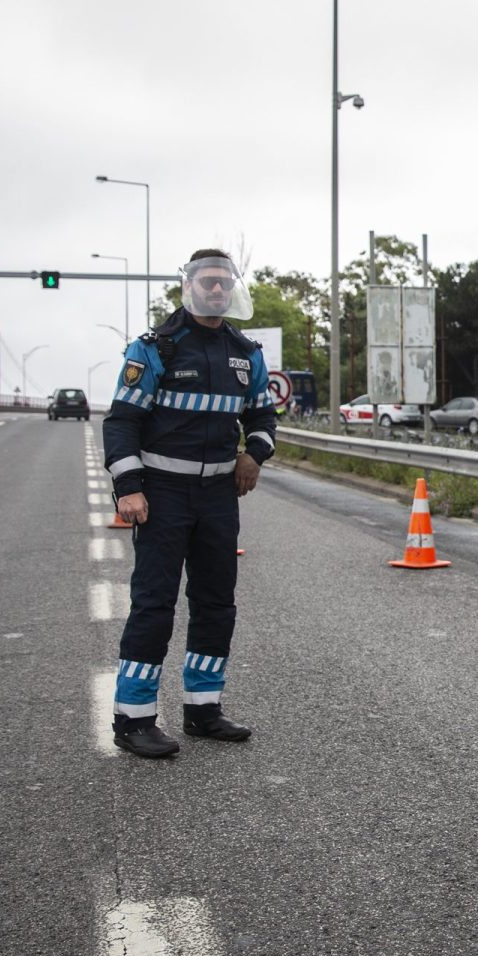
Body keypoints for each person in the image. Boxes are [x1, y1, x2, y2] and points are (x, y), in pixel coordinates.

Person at [103, 250, 277, 759]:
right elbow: (122, 422)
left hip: (220, 497)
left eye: (225, 282)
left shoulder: (247, 352)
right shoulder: (155, 347)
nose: (217, 289)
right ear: (190, 285)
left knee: (216, 604)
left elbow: (264, 416)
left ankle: (204, 710)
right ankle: (133, 719)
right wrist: (129, 486)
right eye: (208, 280)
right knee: (154, 605)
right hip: (163, 497)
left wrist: (254, 455)